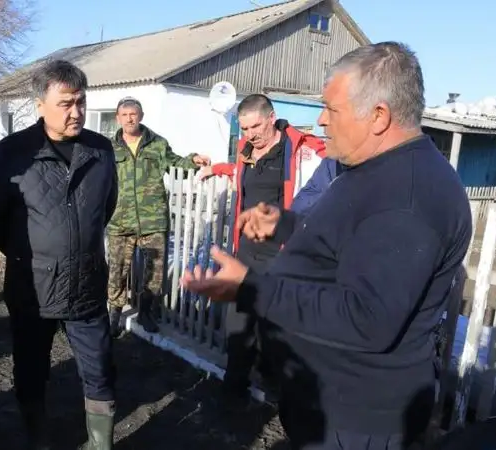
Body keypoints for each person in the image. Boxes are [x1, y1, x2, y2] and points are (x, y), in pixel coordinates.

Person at [182, 42, 472, 449]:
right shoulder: (372, 168)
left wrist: (253, 288)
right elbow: (352, 238)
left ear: (378, 116)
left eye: (330, 110)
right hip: (327, 401)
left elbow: (366, 319)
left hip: (356, 420)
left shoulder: (408, 199)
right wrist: (285, 225)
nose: (320, 121)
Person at [0, 59, 119, 450]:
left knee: (100, 367)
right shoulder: (12, 154)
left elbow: (105, 207)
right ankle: (38, 438)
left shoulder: (101, 151)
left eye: (81, 103)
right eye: (65, 103)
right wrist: (31, 253)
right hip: (32, 286)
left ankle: (99, 441)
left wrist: (75, 246)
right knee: (32, 367)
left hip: (87, 282)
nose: (76, 112)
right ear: (39, 103)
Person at [198, 94, 328, 408]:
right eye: (244, 129)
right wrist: (215, 168)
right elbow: (239, 172)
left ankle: (274, 387)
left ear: (272, 118)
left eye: (255, 126)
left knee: (275, 324)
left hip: (282, 252)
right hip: (246, 250)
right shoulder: (246, 153)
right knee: (238, 320)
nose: (250, 134)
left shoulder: (302, 151)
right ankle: (234, 387)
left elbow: (332, 174)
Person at [107, 96, 209, 337]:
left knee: (154, 273)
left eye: (134, 114)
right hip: (120, 219)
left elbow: (177, 164)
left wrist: (193, 160)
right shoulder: (109, 148)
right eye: (125, 115)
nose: (129, 118)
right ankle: (114, 315)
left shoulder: (157, 144)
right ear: (117, 118)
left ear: (141, 116)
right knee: (117, 271)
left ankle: (146, 312)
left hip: (153, 220)